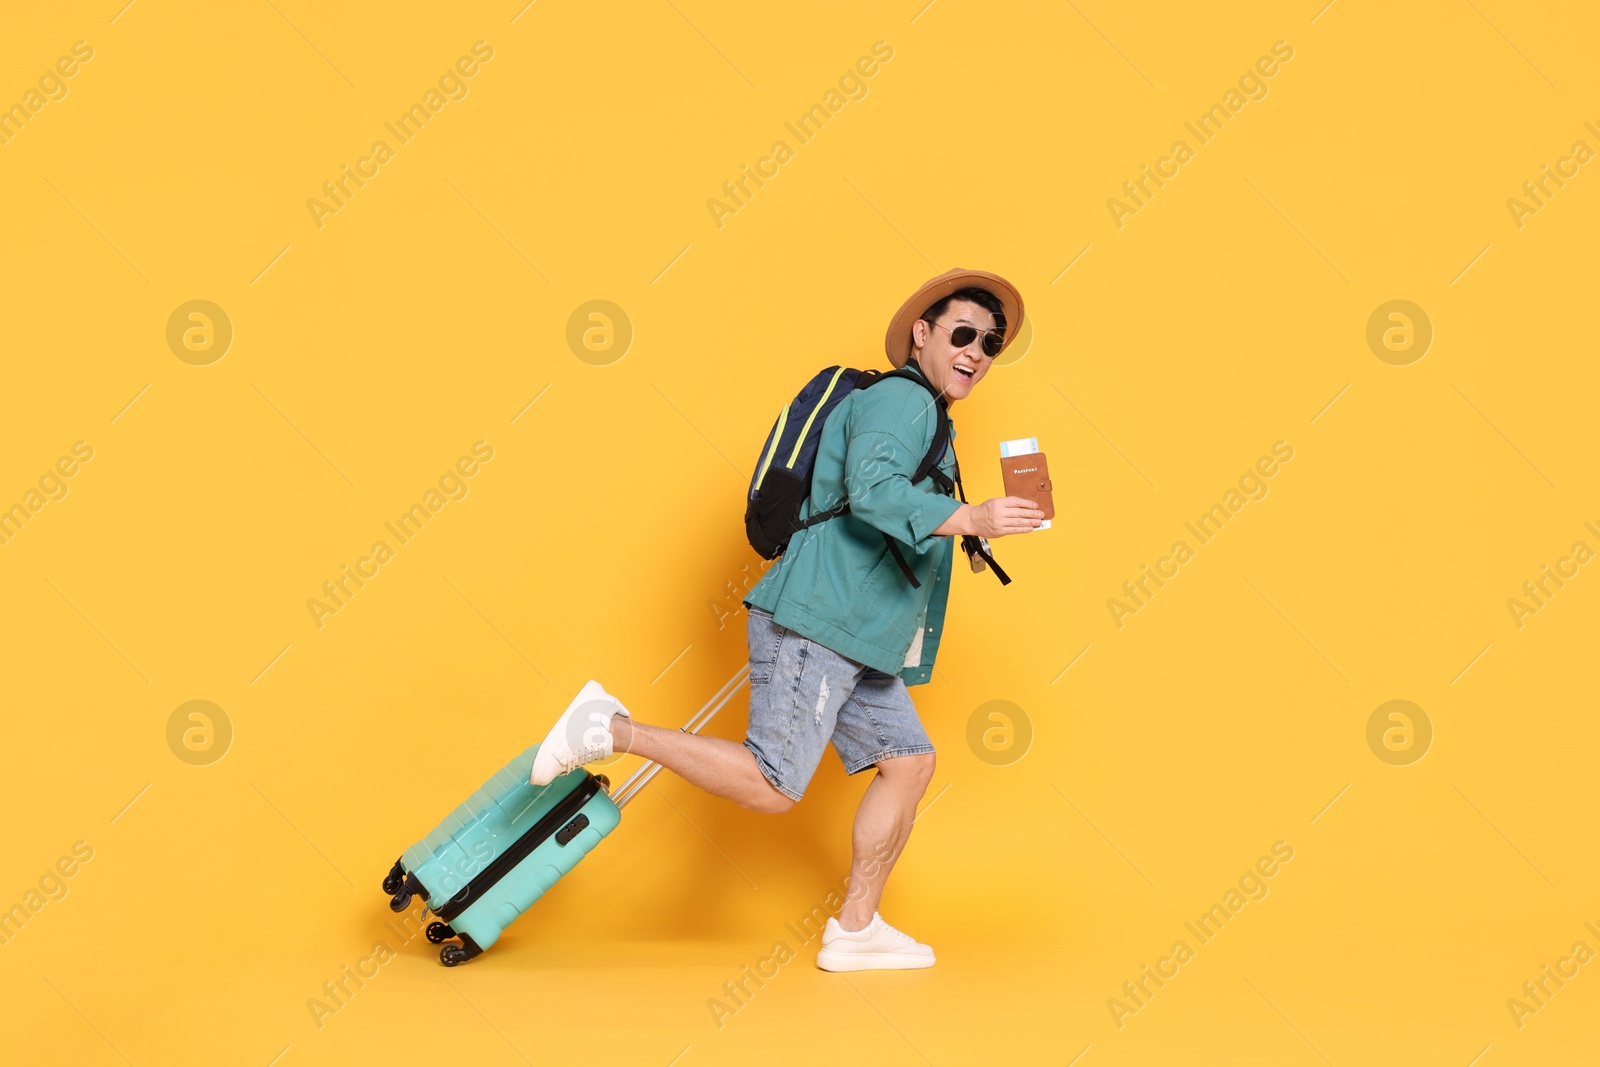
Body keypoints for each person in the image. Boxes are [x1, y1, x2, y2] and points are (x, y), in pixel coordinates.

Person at [529, 268, 1044, 970]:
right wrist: (970, 514)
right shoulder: (902, 398)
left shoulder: (925, 415)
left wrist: (972, 533)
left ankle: (856, 928)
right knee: (774, 785)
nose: (977, 352)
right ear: (922, 335)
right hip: (820, 618)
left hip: (857, 630)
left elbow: (891, 500)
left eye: (990, 342)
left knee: (909, 762)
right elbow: (872, 491)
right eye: (962, 333)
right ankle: (608, 728)